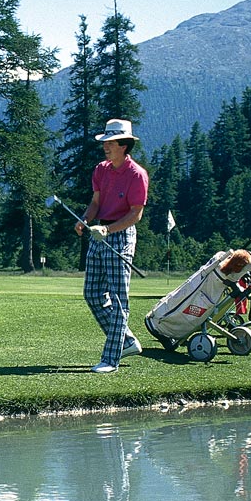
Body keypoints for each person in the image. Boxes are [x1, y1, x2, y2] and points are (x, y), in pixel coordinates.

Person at [75, 119, 150, 373]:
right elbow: (96, 203)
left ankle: (111, 359)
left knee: (119, 299)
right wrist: (85, 219)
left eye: (111, 142)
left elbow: (135, 214)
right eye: (105, 142)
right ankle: (127, 341)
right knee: (93, 293)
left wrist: (107, 229)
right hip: (98, 234)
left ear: (124, 145)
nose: (106, 146)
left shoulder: (137, 175)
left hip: (120, 235)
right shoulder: (101, 170)